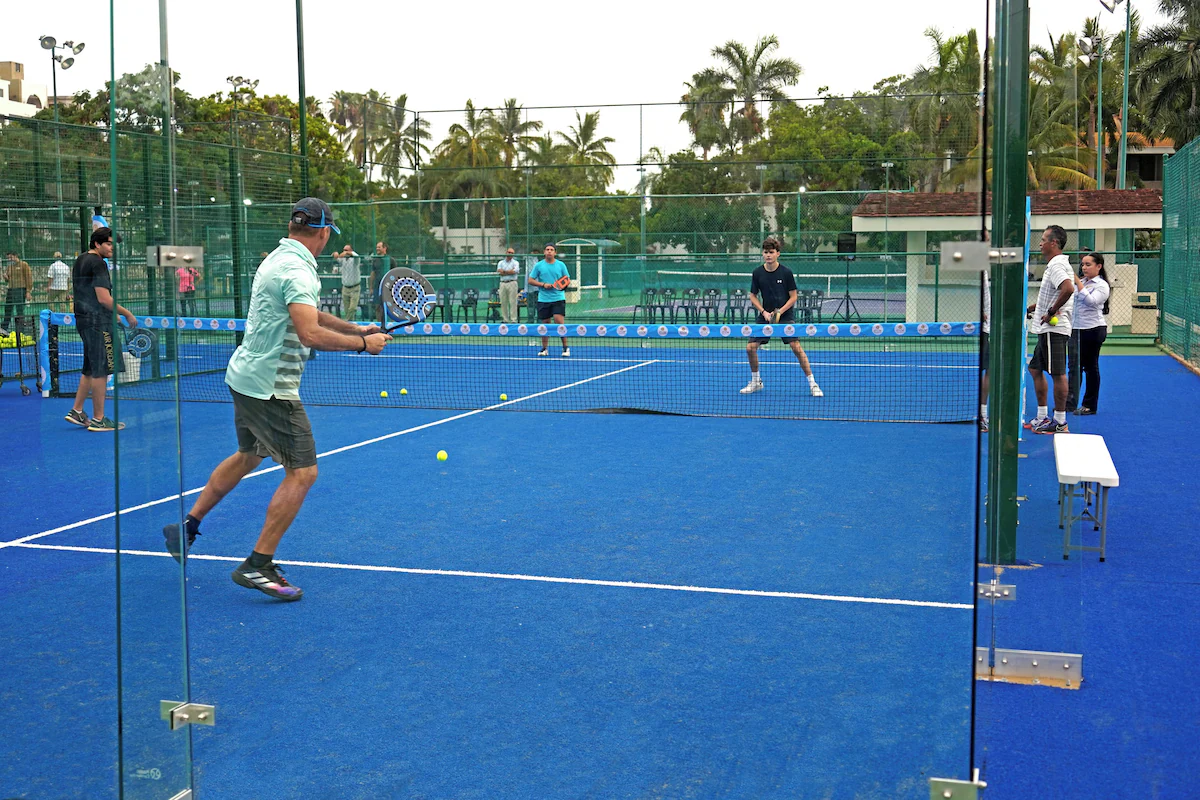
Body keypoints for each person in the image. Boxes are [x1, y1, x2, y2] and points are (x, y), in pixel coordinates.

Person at [162, 198, 390, 601]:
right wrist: (362, 345)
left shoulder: (277, 259)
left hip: (245, 378)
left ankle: (187, 527)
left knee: (248, 456)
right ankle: (258, 564)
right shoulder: (298, 269)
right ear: (323, 233)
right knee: (303, 473)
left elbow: (308, 314)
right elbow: (309, 333)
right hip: (270, 388)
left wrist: (356, 328)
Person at [64, 228, 139, 432]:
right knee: (101, 370)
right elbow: (104, 299)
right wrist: (127, 313)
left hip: (85, 320)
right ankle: (99, 419)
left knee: (89, 368)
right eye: (108, 243)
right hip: (98, 324)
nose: (112, 248)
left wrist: (112, 314)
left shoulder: (81, 259)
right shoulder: (98, 263)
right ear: (97, 244)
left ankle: (77, 411)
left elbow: (89, 294)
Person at [739, 238, 822, 397]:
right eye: (765, 252)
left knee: (796, 347)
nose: (768, 255)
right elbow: (753, 296)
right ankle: (756, 382)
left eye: (771, 252)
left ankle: (813, 384)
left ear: (778, 253)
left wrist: (780, 312)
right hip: (765, 315)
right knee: (750, 348)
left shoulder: (786, 272)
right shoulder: (757, 273)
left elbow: (793, 296)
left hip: (785, 315)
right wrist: (764, 312)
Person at [1026, 225, 1075, 434]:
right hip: (1046, 328)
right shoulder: (1055, 265)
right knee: (1035, 369)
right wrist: (1034, 308)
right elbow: (1056, 294)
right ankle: (1042, 416)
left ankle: (1060, 422)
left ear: (1053, 243)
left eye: (1043, 239)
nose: (1040, 243)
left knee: (1057, 373)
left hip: (1054, 329)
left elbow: (1068, 289)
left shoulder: (1056, 265)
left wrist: (1051, 312)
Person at [1067, 252, 1110, 416]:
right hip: (1076, 329)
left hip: (1093, 330)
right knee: (1073, 367)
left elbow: (1091, 302)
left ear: (1099, 266)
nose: (1084, 267)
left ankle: (1090, 405)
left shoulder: (1102, 285)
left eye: (1088, 264)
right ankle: (1070, 403)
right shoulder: (1082, 282)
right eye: (1083, 264)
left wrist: (1077, 282)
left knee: (1090, 367)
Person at [528, 243, 570, 356]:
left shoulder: (561, 265)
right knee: (545, 324)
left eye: (551, 250)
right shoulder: (538, 266)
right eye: (547, 249)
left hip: (558, 298)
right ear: (544, 252)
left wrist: (560, 285)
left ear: (555, 252)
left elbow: (567, 279)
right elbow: (530, 280)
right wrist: (543, 284)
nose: (549, 251)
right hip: (543, 299)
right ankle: (544, 348)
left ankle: (565, 347)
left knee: (558, 321)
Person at [2, 251, 34, 337]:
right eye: (8, 258)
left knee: (19, 310)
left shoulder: (24, 265)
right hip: (11, 290)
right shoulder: (9, 266)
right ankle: (4, 329)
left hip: (21, 290)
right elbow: (7, 279)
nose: (9, 259)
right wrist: (6, 278)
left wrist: (28, 291)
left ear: (16, 256)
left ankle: (20, 331)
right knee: (7, 309)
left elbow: (29, 278)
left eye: (10, 257)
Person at [336, 244, 362, 321]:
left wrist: (348, 253)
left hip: (355, 287)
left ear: (351, 251)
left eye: (347, 250)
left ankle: (347, 322)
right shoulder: (343, 260)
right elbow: (336, 257)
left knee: (352, 308)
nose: (345, 252)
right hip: (345, 288)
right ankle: (350, 324)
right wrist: (335, 254)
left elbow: (357, 256)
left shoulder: (355, 260)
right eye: (344, 250)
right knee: (346, 309)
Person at [496, 247, 520, 323]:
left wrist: (504, 272)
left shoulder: (516, 262)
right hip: (503, 283)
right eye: (509, 252)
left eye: (512, 253)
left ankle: (513, 319)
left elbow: (515, 271)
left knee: (513, 302)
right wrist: (509, 272)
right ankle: (505, 319)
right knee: (503, 302)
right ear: (506, 253)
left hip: (512, 282)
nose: (510, 254)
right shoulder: (500, 262)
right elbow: (499, 272)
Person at [370, 241, 391, 324]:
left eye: (379, 247)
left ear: (384, 248)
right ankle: (379, 325)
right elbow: (373, 274)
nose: (377, 249)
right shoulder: (375, 260)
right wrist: (371, 287)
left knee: (388, 307)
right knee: (377, 306)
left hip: (388, 288)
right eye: (377, 247)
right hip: (377, 287)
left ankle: (389, 324)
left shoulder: (390, 260)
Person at [525, 247, 541, 322]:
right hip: (530, 288)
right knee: (530, 305)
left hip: (539, 287)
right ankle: (530, 319)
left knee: (539, 303)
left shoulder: (540, 261)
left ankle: (539, 319)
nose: (535, 253)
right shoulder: (528, 259)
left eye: (536, 252)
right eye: (534, 252)